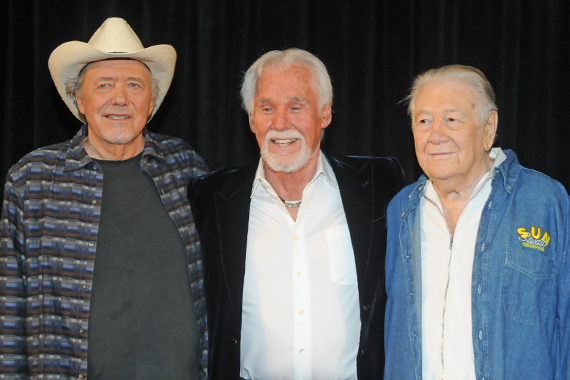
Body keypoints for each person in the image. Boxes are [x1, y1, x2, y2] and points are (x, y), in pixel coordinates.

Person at [0, 18, 208, 379]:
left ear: (152, 98)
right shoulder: (31, 181)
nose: (120, 99)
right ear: (79, 98)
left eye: (134, 84)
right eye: (104, 85)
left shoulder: (186, 167)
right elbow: (8, 312)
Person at [188, 48, 405, 380]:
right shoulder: (211, 198)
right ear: (251, 119)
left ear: (325, 114)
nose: (280, 124)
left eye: (295, 107)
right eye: (267, 108)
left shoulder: (380, 186)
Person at [384, 64, 570, 379]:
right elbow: (394, 332)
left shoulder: (543, 201)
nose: (435, 135)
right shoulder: (401, 210)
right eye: (424, 121)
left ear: (488, 127)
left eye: (452, 120)